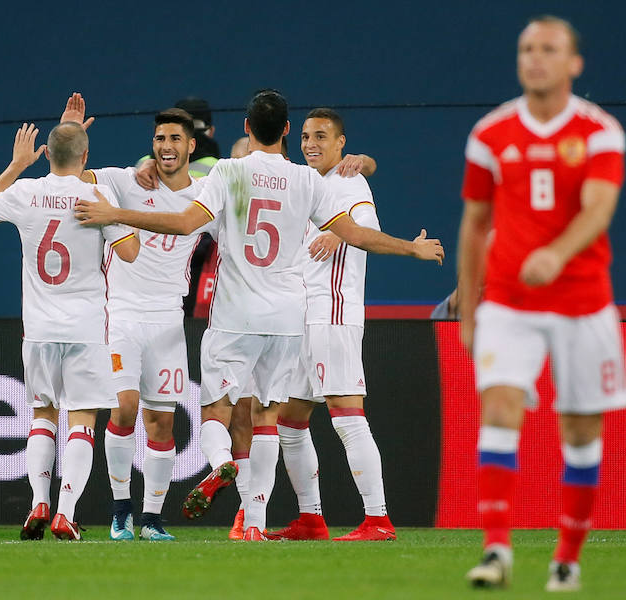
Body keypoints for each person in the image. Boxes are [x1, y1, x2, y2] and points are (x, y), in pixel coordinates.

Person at [75, 89, 444, 541]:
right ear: (287, 131)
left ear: (247, 129)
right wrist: (411, 248)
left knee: (219, 411)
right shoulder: (307, 181)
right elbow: (355, 232)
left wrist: (116, 212)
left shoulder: (230, 171)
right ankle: (253, 525)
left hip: (236, 315)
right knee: (271, 417)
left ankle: (222, 464)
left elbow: (184, 222)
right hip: (289, 318)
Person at [457, 16, 626, 591]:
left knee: (581, 432)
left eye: (548, 49)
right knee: (500, 406)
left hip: (583, 301)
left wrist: (557, 255)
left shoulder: (600, 131)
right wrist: (469, 307)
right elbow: (474, 223)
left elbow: (598, 210)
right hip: (510, 300)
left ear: (573, 63)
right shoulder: (490, 134)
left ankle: (567, 557)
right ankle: (496, 551)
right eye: (527, 48)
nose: (535, 58)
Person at [59, 94, 211, 541]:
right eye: (159, 137)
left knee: (162, 423)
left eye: (175, 138)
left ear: (190, 147)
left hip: (167, 318)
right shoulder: (126, 181)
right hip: (120, 314)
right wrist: (70, 132)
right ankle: (120, 510)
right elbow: (70, 175)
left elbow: (246, 161)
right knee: (123, 409)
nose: (166, 145)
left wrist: (356, 161)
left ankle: (152, 518)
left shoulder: (205, 193)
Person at [0, 121, 139, 541]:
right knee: (82, 419)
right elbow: (132, 252)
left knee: (42, 415)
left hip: (40, 329)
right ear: (86, 159)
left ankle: (38, 503)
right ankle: (66, 511)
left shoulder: (26, 193)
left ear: (45, 155)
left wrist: (16, 165)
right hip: (86, 328)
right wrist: (115, 214)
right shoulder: (94, 197)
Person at [268, 108, 395, 542]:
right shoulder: (309, 183)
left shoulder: (348, 181)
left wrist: (339, 234)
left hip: (333, 311)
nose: (310, 144)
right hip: (304, 316)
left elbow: (369, 227)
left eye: (321, 136)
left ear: (341, 144)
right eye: (305, 136)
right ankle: (311, 519)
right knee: (290, 419)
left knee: (346, 414)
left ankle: (378, 520)